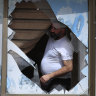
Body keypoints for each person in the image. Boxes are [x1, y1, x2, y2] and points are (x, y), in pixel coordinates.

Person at [40, 21, 74, 91]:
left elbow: (69, 67)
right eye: (51, 27)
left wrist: (49, 76)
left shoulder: (65, 45)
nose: (52, 30)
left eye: (55, 28)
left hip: (60, 82)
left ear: (63, 30)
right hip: (48, 80)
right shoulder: (52, 37)